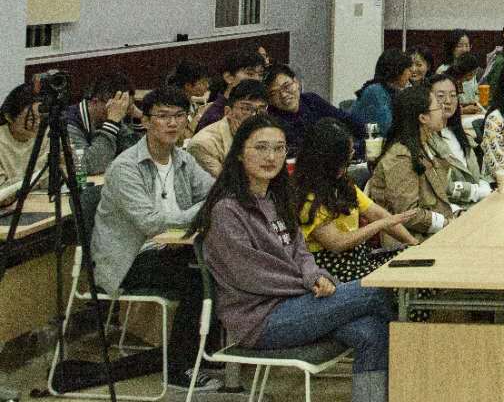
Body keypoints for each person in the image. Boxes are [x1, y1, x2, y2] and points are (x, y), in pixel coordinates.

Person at [194, 114, 395, 402]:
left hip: (297, 304)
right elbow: (250, 276)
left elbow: (301, 251)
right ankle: (419, 374)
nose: (271, 156)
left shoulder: (278, 198)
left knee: (370, 331)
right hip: (261, 320)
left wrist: (316, 275)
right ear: (239, 153)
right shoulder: (227, 210)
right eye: (261, 148)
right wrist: (307, 285)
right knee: (378, 291)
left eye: (279, 148)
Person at [91, 86, 218, 393]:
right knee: (198, 280)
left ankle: (206, 352)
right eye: (163, 116)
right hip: (130, 259)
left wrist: (209, 205)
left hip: (171, 248)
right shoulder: (125, 167)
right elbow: (151, 223)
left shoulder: (183, 159)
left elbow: (216, 192)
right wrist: (202, 211)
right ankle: (178, 369)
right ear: (145, 121)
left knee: (220, 264)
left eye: (179, 116)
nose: (172, 123)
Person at [294, 118, 417, 282]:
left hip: (360, 258)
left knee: (413, 260)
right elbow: (337, 243)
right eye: (346, 156)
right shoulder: (308, 198)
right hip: (334, 269)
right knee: (404, 279)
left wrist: (413, 244)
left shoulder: (342, 183)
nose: (351, 157)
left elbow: (377, 214)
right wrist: (380, 225)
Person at [366, 86, 458, 241]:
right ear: (423, 118)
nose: (443, 111)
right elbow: (407, 214)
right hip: (410, 240)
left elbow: (438, 194)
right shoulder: (400, 157)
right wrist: (446, 222)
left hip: (432, 230)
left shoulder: (425, 144)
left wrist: (455, 212)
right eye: (438, 107)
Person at [266, 63, 365, 159]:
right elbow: (304, 152)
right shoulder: (272, 120)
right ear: (269, 99)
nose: (283, 95)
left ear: (296, 82)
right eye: (274, 93)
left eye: (286, 86)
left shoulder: (310, 100)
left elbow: (344, 119)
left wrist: (368, 138)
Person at [426, 72, 489, 205]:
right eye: (441, 96)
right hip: (453, 209)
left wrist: (484, 183)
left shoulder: (460, 134)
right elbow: (439, 185)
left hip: (478, 204)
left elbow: (476, 174)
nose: (448, 101)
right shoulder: (426, 139)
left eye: (453, 95)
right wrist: (475, 191)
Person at [187, 79, 269, 178]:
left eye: (261, 109)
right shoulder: (203, 145)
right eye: (246, 109)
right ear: (228, 112)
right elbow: (227, 184)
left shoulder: (269, 135)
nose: (254, 115)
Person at [65, 73, 142, 176]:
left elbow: (138, 155)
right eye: (118, 107)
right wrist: (111, 123)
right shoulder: (68, 122)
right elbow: (87, 166)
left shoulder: (113, 116)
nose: (122, 113)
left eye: (126, 108)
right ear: (95, 102)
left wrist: (140, 118)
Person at [351, 50, 415, 138]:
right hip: (365, 142)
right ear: (398, 71)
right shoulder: (375, 91)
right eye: (408, 70)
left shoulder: (392, 91)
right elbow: (385, 128)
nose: (410, 74)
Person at [196, 49, 266, 129]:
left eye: (260, 74)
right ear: (229, 77)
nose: (257, 79)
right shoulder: (214, 117)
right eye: (250, 73)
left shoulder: (259, 107)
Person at [0, 84, 40, 205]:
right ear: (9, 117)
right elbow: (3, 193)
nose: (38, 124)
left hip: (37, 203)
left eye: (40, 117)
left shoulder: (46, 134)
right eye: (31, 119)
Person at [168, 61, 213, 134]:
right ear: (188, 86)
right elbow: (182, 138)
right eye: (202, 82)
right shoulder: (173, 107)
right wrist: (200, 115)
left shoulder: (190, 102)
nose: (207, 86)